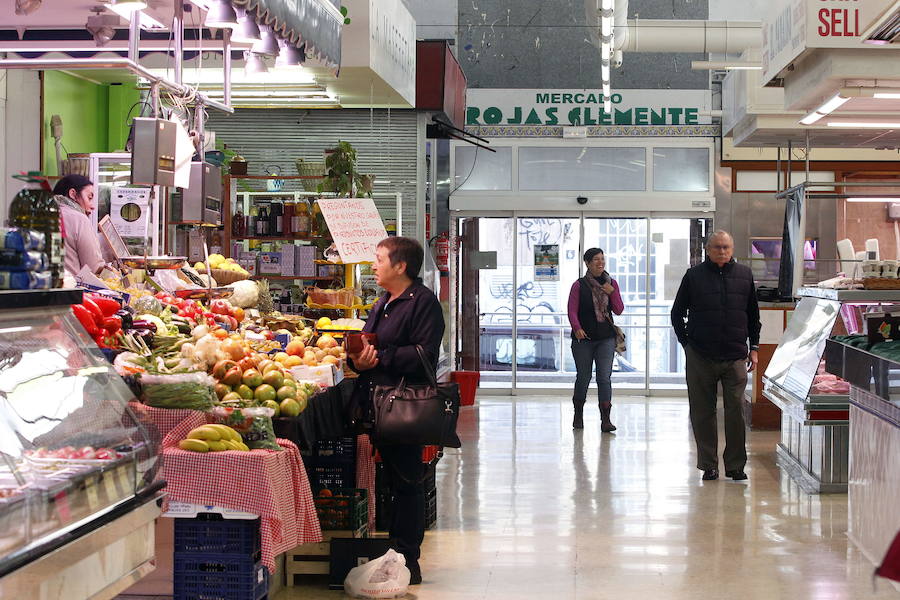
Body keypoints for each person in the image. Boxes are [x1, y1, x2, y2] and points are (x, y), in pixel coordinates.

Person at [347, 236, 445, 586]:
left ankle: (408, 561)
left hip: (404, 406)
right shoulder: (385, 301)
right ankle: (394, 555)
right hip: (379, 404)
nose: (374, 265)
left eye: (379, 259)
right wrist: (358, 358)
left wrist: (381, 357)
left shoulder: (423, 303)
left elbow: (423, 355)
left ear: (400, 266)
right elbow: (366, 341)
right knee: (392, 482)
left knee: (406, 483)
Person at [670, 230, 761, 482]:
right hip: (700, 354)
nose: (722, 251)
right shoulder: (694, 276)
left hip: (735, 356)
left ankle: (735, 466)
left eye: (726, 247)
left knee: (736, 412)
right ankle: (708, 464)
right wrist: (686, 344)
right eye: (717, 247)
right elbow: (677, 313)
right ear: (707, 249)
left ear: (732, 250)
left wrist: (754, 347)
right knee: (702, 411)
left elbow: (753, 316)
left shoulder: (744, 275)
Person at [567, 248, 624, 431]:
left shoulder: (611, 283)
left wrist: (612, 292)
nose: (600, 263)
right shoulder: (579, 285)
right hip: (583, 339)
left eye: (602, 259)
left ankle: (606, 419)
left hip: (605, 338)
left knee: (604, 378)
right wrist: (577, 328)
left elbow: (619, 309)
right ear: (587, 263)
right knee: (584, 376)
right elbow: (571, 310)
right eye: (596, 260)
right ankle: (578, 414)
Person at [52, 174, 104, 276]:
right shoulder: (79, 219)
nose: (92, 206)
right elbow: (93, 267)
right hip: (69, 288)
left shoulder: (42, 214)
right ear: (73, 194)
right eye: (89, 198)